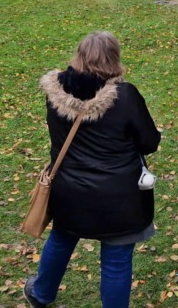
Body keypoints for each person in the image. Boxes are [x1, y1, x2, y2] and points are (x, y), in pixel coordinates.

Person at [24, 31, 161, 308]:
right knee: (116, 261)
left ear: (79, 54)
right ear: (114, 57)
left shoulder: (55, 93)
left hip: (69, 190)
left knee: (61, 238)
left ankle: (40, 294)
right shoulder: (126, 96)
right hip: (120, 198)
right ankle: (41, 293)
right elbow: (148, 142)